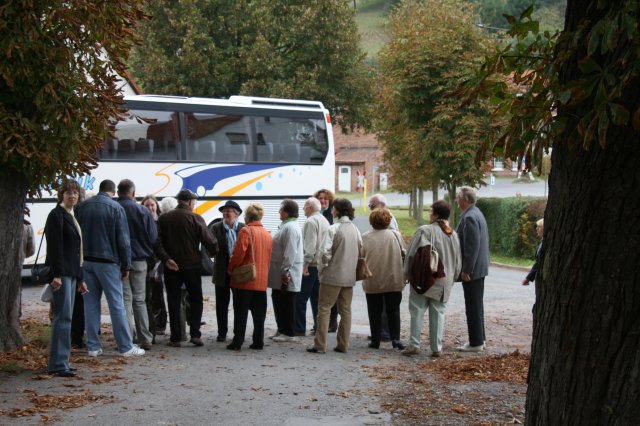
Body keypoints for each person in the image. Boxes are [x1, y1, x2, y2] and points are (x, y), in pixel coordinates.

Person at [75, 179, 144, 357]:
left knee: (90, 305)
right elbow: (123, 240)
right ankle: (125, 346)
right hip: (108, 262)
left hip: (87, 261)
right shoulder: (115, 208)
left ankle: (93, 346)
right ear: (113, 192)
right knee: (116, 305)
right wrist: (126, 264)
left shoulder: (82, 207)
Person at [155, 189, 218, 347]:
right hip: (192, 265)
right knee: (196, 299)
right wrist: (213, 253)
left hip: (171, 267)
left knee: (174, 300)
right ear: (190, 202)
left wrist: (166, 259)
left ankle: (175, 337)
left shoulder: (163, 219)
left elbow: (157, 243)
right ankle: (195, 334)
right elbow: (208, 240)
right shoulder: (195, 218)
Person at [402, 200, 461, 357]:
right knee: (438, 313)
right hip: (443, 281)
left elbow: (411, 254)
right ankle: (436, 347)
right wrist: (453, 278)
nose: (429, 214)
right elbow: (458, 261)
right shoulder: (453, 234)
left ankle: (414, 344)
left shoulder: (424, 231)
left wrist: (406, 274)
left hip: (423, 278)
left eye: (430, 211)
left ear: (435, 215)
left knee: (417, 310)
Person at [44, 179, 89, 376]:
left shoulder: (71, 214)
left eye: (75, 193)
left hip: (72, 273)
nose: (73, 196)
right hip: (63, 274)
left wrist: (81, 278)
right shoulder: (56, 215)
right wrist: (57, 275)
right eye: (68, 192)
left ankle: (61, 361)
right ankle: (58, 364)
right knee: (63, 318)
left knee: (66, 318)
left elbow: (76, 251)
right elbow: (55, 248)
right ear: (61, 195)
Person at [307, 198, 361, 354]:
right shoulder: (355, 229)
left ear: (337, 210)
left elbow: (324, 253)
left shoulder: (333, 228)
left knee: (324, 309)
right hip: (349, 277)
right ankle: (343, 344)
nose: (331, 210)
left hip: (332, 276)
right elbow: (360, 251)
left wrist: (321, 269)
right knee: (346, 311)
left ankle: (320, 345)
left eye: (333, 208)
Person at [226, 203, 273, 351]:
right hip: (261, 280)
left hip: (245, 280)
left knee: (241, 312)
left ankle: (238, 341)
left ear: (247, 216)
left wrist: (231, 268)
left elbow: (239, 254)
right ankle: (258, 341)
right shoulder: (266, 233)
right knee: (259, 315)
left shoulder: (245, 231)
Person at [117, 179, 157, 350]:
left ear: (119, 192)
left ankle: (127, 337)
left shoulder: (115, 209)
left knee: (125, 300)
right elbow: (153, 236)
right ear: (133, 193)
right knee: (139, 300)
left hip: (119, 262)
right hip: (140, 260)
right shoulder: (142, 211)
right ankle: (145, 337)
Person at [361, 208, 406, 350]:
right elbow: (403, 253)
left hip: (372, 278)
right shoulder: (396, 235)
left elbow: (361, 256)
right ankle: (396, 339)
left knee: (374, 311)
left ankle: (375, 340)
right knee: (393, 310)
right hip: (393, 277)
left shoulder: (366, 237)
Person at [455, 186, 490, 352]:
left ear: (465, 200)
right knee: (477, 305)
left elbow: (472, 246)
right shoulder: (476, 213)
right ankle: (480, 339)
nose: (456, 200)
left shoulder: (469, 217)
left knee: (473, 306)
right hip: (479, 269)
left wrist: (466, 270)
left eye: (458, 198)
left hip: (473, 271)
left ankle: (475, 342)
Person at [209, 200, 245, 342]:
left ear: (236, 214)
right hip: (221, 272)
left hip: (238, 272)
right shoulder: (216, 228)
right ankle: (222, 332)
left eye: (229, 210)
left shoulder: (243, 228)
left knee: (239, 304)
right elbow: (209, 245)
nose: (225, 213)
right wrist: (213, 251)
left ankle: (238, 332)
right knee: (221, 305)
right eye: (224, 211)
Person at [269, 199, 304, 342]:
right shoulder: (287, 226)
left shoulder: (290, 228)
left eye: (281, 210)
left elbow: (290, 252)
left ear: (287, 212)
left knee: (287, 302)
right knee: (278, 299)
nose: (279, 212)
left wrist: (285, 271)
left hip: (286, 272)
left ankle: (289, 332)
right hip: (280, 271)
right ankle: (282, 328)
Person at [295, 197, 330, 336]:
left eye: (304, 206)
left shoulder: (310, 221)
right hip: (320, 265)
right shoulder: (324, 220)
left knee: (300, 298)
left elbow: (310, 247)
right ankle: (318, 328)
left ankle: (299, 328)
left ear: (310, 207)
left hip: (311, 265)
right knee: (317, 299)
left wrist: (305, 265)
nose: (303, 208)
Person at [313, 188, 339, 332]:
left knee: (330, 293)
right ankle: (322, 323)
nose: (322, 201)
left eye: (325, 198)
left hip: (330, 258)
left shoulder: (332, 215)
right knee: (320, 293)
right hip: (319, 257)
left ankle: (332, 322)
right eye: (320, 198)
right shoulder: (317, 214)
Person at [141, 194, 166, 340]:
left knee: (158, 293)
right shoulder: (142, 220)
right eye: (147, 205)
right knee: (147, 294)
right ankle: (153, 323)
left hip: (158, 261)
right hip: (146, 261)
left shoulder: (160, 221)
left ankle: (160, 323)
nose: (150, 207)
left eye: (152, 205)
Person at [522, 219, 544, 285]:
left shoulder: (546, 243)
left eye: (539, 227)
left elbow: (539, 263)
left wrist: (528, 278)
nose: (536, 229)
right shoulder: (542, 242)